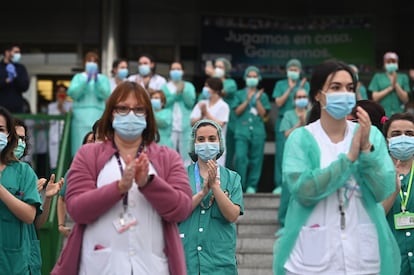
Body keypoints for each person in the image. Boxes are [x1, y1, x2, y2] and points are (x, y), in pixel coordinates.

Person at [273, 60, 401, 275]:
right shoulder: (301, 139)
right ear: (317, 94)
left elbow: (383, 188)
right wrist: (348, 159)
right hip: (313, 251)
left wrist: (367, 150)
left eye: (350, 88)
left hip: (363, 251)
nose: (344, 94)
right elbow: (303, 190)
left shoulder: (371, 136)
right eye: (335, 87)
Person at [51, 81, 193, 275]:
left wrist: (149, 183)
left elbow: (182, 209)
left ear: (148, 116)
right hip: (99, 266)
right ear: (111, 113)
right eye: (123, 108)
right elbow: (76, 208)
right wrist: (118, 187)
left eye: (139, 110)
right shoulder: (88, 155)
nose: (131, 115)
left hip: (152, 266)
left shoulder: (168, 157)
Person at [178, 119, 244, 274]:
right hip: (187, 261)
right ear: (193, 143)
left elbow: (232, 215)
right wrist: (202, 193)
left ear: (219, 142)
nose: (206, 143)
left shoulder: (232, 178)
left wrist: (215, 187)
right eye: (201, 139)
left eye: (212, 139)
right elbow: (177, 212)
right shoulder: (181, 175)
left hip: (220, 263)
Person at [0, 107, 43, 274]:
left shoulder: (23, 171)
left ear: (9, 135)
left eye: (1, 129)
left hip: (14, 264)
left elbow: (29, 216)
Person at [14, 118, 63, 229]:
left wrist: (48, 198)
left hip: (25, 243)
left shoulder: (27, 173)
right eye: (16, 137)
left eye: (23, 139)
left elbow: (38, 223)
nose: (20, 142)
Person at [381, 112, 414, 274]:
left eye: (409, 134)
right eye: (396, 134)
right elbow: (374, 217)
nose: (403, 138)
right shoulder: (376, 172)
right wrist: (393, 191)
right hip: (390, 263)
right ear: (387, 140)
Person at [272, 58, 310, 194]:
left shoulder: (305, 85)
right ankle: (280, 184)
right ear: (287, 71)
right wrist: (291, 89)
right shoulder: (281, 84)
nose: (293, 72)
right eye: (291, 69)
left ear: (300, 71)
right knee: (282, 154)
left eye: (296, 70)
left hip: (302, 121)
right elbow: (278, 103)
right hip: (285, 122)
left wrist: (299, 89)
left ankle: (300, 183)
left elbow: (306, 102)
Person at [233, 66, 271, 193]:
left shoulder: (263, 95)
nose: (252, 79)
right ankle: (240, 185)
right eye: (250, 76)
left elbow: (263, 113)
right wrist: (248, 100)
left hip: (258, 132)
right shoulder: (239, 94)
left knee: (256, 159)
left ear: (259, 78)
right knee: (240, 157)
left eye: (255, 76)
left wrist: (257, 100)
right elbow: (237, 111)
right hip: (241, 132)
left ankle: (252, 186)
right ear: (245, 78)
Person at [67, 51, 111, 156]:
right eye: (89, 61)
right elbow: (73, 93)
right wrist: (85, 82)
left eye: (94, 61)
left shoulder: (102, 79)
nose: (92, 63)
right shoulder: (78, 78)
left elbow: (105, 94)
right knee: (80, 145)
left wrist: (96, 81)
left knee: (98, 142)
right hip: (80, 119)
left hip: (98, 115)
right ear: (84, 63)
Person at [277, 88, 310, 226]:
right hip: (292, 155)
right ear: (294, 99)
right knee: (288, 188)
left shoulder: (311, 114)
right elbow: (286, 134)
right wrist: (299, 124)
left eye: (304, 96)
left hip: (307, 155)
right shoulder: (289, 114)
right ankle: (283, 220)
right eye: (299, 96)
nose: (301, 98)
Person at [57, 131, 94, 246]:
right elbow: (61, 199)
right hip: (76, 229)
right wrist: (61, 225)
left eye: (95, 141)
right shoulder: (74, 171)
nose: (93, 144)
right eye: (89, 142)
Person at [204, 57, 238, 169]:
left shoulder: (230, 83)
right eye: (216, 67)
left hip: (227, 123)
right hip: (208, 125)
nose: (217, 69)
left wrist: (213, 76)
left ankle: (226, 182)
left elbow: (222, 91)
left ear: (226, 70)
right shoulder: (208, 84)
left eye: (220, 67)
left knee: (225, 154)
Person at [161, 61, 196, 166]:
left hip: (185, 125)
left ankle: (187, 179)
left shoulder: (189, 86)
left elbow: (190, 103)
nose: (176, 71)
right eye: (173, 69)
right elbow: (164, 103)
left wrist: (183, 91)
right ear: (170, 72)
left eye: (178, 69)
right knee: (169, 153)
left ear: (183, 71)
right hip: (170, 125)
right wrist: (176, 94)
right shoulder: (165, 87)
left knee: (187, 155)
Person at [191, 77, 230, 166]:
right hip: (200, 145)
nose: (205, 89)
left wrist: (206, 113)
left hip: (216, 146)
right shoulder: (201, 103)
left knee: (216, 173)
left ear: (215, 89)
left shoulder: (223, 106)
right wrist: (201, 115)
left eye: (207, 86)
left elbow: (220, 124)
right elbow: (192, 122)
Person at [368, 51, 410, 117]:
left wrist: (395, 83)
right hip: (382, 114)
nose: (391, 63)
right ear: (384, 63)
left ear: (397, 63)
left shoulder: (403, 77)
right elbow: (375, 98)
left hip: (399, 114)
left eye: (393, 61)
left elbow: (405, 99)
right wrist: (390, 88)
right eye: (388, 62)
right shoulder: (377, 77)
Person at [48, 84, 72, 172]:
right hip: (54, 137)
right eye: (59, 92)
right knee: (54, 162)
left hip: (65, 137)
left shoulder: (70, 105)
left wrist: (62, 108)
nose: (61, 94)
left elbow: (69, 117)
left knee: (65, 160)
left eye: (63, 92)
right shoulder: (51, 106)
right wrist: (58, 106)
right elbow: (51, 121)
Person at [0, 44, 30, 113]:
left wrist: (15, 77)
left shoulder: (20, 68)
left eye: (19, 52)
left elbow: (25, 87)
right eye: (16, 52)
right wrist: (5, 81)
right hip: (1, 108)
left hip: (17, 109)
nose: (18, 55)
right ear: (7, 53)